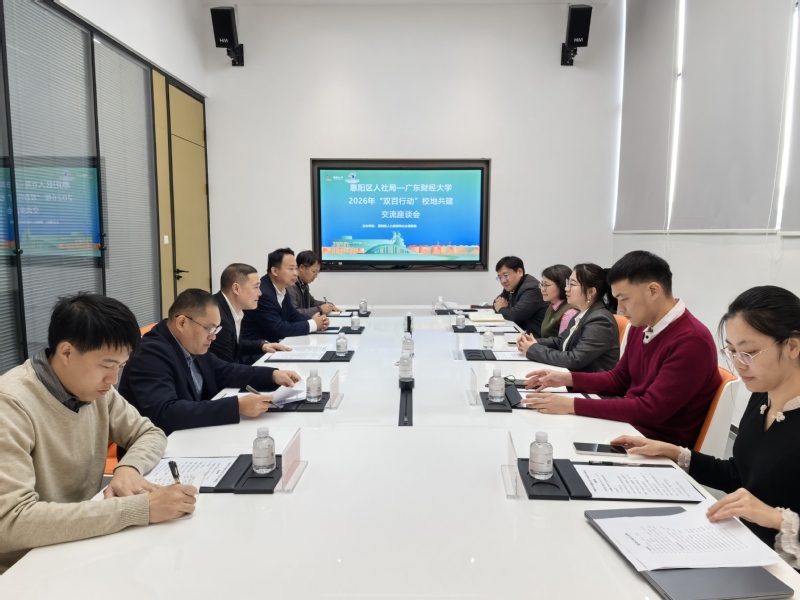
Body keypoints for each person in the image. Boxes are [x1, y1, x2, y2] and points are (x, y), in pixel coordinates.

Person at [0, 293, 196, 574]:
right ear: (66, 353)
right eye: (106, 365)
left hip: (86, 544)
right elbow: (11, 523)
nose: (113, 380)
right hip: (28, 568)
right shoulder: (10, 405)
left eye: (120, 367)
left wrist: (128, 467)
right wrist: (139, 509)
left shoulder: (96, 391)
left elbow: (150, 433)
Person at [611, 286, 800, 569]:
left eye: (749, 352)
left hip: (782, 566)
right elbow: (739, 475)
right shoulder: (762, 396)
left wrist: (776, 518)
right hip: (739, 545)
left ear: (793, 346)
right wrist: (675, 453)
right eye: (732, 351)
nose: (739, 364)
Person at [522, 250, 721, 448]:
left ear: (653, 291)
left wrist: (571, 405)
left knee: (552, 441)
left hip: (654, 445)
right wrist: (567, 379)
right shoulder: (642, 325)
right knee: (537, 427)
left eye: (624, 299)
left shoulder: (691, 340)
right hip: (629, 427)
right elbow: (619, 379)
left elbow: (650, 410)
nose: (620, 308)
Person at [119, 289, 301, 436]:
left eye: (216, 329)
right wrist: (237, 407)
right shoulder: (150, 354)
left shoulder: (191, 343)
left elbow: (225, 371)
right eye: (210, 329)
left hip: (192, 435)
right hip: (158, 451)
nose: (213, 337)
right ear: (182, 323)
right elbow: (166, 413)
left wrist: (272, 375)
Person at [517, 263, 619, 373]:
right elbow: (561, 340)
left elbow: (574, 360)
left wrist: (533, 349)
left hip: (588, 382)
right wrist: (533, 342)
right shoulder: (583, 313)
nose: (566, 288)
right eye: (567, 283)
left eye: (572, 284)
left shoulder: (600, 320)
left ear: (591, 291)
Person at [242, 248, 329, 342]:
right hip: (259, 348)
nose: (296, 273)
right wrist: (313, 324)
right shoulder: (263, 293)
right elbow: (278, 329)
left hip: (277, 344)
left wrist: (316, 321)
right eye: (291, 269)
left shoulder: (283, 289)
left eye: (296, 268)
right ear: (275, 271)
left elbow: (293, 315)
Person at [210, 262, 290, 364]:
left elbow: (234, 345)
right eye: (256, 287)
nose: (260, 293)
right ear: (236, 289)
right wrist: (272, 372)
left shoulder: (230, 309)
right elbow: (226, 369)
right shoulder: (218, 318)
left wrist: (262, 346)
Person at [492, 256, 550, 336]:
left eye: (505, 275)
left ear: (520, 272)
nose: (503, 281)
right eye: (500, 277)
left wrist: (501, 308)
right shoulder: (511, 286)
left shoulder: (532, 288)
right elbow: (496, 302)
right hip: (522, 334)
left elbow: (515, 315)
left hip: (536, 338)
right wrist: (501, 307)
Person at [288, 250, 340, 318]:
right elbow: (294, 313)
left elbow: (312, 303)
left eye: (317, 272)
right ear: (301, 267)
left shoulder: (304, 285)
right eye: (314, 271)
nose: (316, 276)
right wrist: (320, 309)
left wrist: (328, 305)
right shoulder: (290, 286)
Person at [537, 264, 579, 337]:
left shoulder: (569, 312)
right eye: (542, 285)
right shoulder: (551, 307)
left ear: (561, 285)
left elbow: (562, 342)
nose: (542, 289)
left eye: (546, 285)